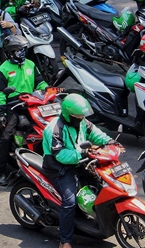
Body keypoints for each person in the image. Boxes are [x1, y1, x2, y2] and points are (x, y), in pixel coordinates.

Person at [42, 94, 115, 248]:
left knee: (103, 185)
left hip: (80, 163)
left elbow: (95, 132)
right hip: (59, 168)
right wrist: (82, 153)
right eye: (78, 116)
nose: (81, 118)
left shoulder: (81, 121)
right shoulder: (55, 129)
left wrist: (109, 141)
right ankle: (65, 240)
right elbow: (61, 155)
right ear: (68, 115)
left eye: (82, 116)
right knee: (69, 202)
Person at [0, 34, 48, 185]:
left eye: (23, 50)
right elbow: (0, 94)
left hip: (32, 104)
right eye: (19, 51)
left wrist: (48, 89)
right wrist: (1, 113)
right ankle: (0, 171)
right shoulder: (2, 70)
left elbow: (40, 83)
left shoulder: (30, 64)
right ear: (11, 52)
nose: (22, 53)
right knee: (6, 137)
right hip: (13, 106)